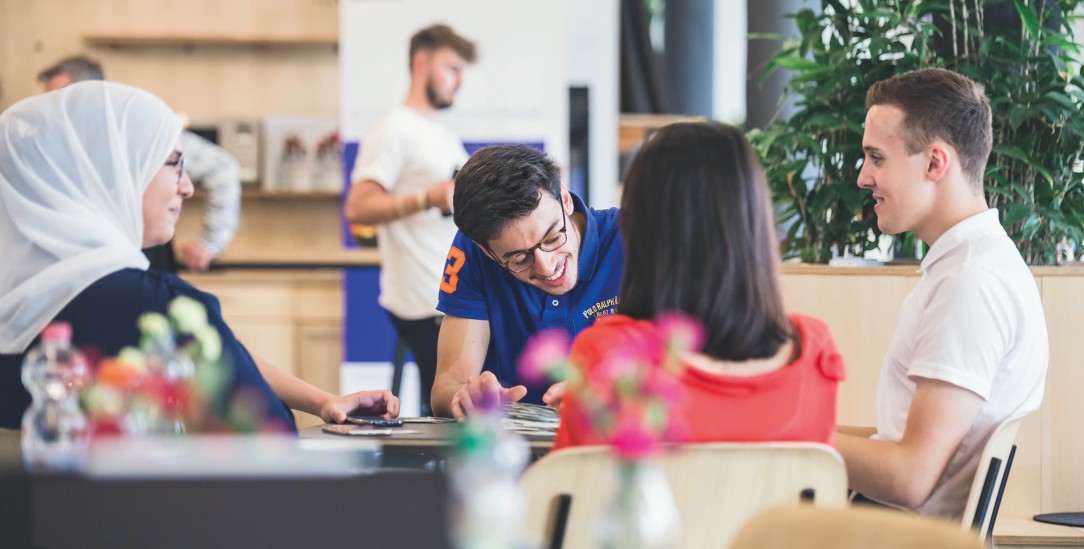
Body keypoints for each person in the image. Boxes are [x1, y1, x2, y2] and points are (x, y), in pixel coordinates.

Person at [0, 81, 398, 430]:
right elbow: (268, 431)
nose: (187, 187)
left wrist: (321, 400)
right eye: (174, 163)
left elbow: (213, 353)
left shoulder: (23, 301)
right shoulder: (160, 306)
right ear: (112, 172)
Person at [551, 122, 846, 450]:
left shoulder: (609, 354)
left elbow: (572, 495)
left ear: (639, 230)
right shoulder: (816, 352)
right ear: (755, 222)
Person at [835, 68, 1048, 519]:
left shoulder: (971, 283)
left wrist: (796, 439)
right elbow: (900, 442)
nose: (863, 178)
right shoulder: (970, 266)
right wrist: (790, 430)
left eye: (876, 158)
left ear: (934, 163)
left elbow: (909, 477)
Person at [431, 145, 624, 419]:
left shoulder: (632, 236)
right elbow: (446, 386)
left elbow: (689, 368)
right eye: (520, 258)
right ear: (487, 251)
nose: (547, 268)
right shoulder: (472, 252)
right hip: (515, 449)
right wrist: (465, 396)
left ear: (565, 200)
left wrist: (611, 391)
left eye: (553, 237)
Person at [342, 25, 476, 415]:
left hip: (450, 290)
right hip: (425, 300)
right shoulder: (393, 129)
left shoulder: (440, 133)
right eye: (452, 68)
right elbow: (359, 207)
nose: (459, 80)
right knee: (455, 407)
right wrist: (425, 198)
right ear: (422, 63)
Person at [38, 55, 241, 272]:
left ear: (92, 92)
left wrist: (212, 242)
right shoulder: (50, 142)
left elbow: (222, 166)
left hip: (148, 258)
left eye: (59, 97)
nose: (52, 109)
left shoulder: (137, 131)